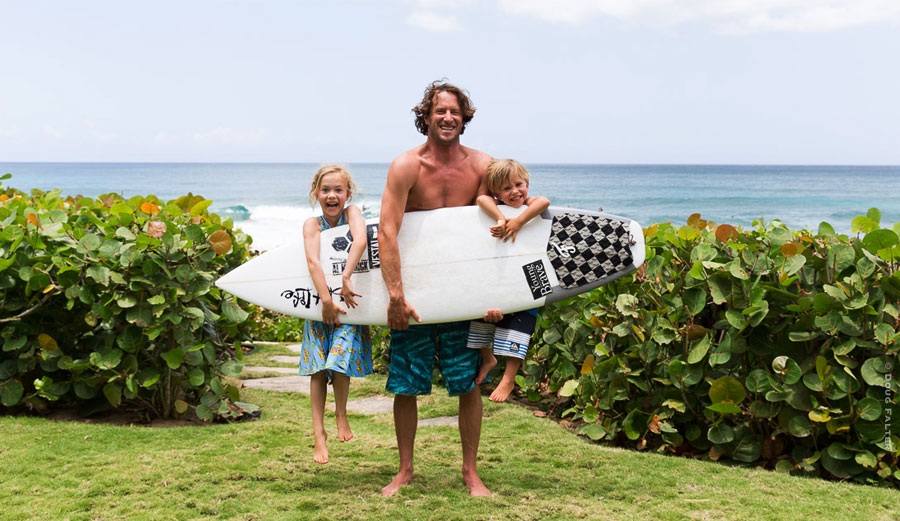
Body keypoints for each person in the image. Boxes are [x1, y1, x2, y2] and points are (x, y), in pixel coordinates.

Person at [379, 80, 493, 497]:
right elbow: (388, 230)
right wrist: (395, 294)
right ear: (425, 117)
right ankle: (405, 469)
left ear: (465, 118)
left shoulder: (483, 166)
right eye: (439, 111)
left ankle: (470, 472)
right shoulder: (406, 166)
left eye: (455, 112)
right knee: (406, 385)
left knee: (468, 384)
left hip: (463, 295)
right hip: (415, 295)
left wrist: (494, 299)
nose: (448, 117)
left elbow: (498, 230)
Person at [299, 164, 373, 465]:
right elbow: (313, 262)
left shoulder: (352, 213)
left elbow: (361, 240)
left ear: (348, 193)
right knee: (318, 370)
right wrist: (326, 301)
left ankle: (341, 414)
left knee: (338, 362)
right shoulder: (312, 225)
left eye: (338, 190)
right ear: (316, 193)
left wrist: (346, 277)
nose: (332, 195)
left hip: (348, 303)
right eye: (325, 190)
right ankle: (319, 433)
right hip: (320, 306)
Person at [468, 159, 550, 403]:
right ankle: (488, 358)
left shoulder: (529, 204)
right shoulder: (493, 205)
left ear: (527, 183)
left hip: (522, 279)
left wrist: (518, 221)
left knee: (520, 323)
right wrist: (501, 218)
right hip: (496, 276)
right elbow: (481, 199)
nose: (515, 191)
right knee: (477, 316)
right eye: (506, 188)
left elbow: (544, 202)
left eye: (519, 184)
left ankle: (509, 378)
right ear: (496, 193)